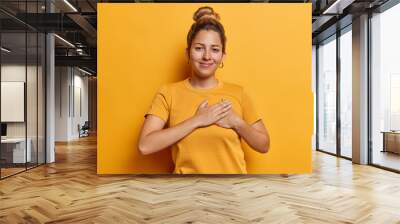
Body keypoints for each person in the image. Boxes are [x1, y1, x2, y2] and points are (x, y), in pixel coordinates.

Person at [138, 6, 270, 174]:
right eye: (199, 48)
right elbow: (145, 145)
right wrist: (198, 120)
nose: (207, 56)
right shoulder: (168, 93)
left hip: (232, 191)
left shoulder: (239, 93)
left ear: (223, 56)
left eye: (215, 49)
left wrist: (237, 122)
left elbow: (264, 145)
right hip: (186, 192)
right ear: (188, 53)